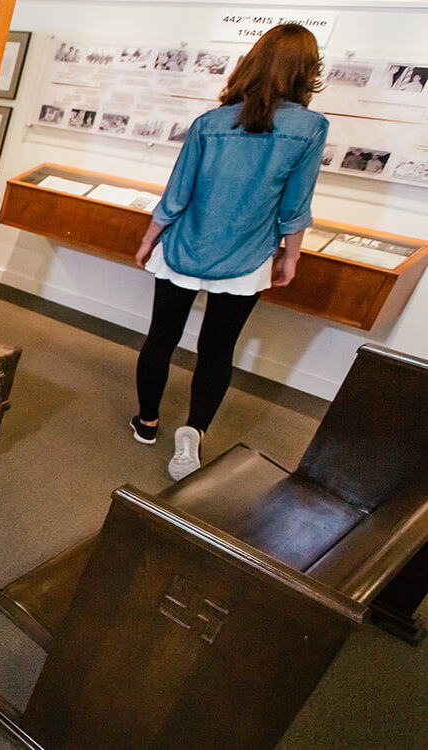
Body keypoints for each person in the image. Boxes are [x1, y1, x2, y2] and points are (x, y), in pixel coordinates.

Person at [131, 24, 327, 480]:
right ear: (306, 72)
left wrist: (148, 239)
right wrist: (291, 255)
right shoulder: (310, 128)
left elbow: (176, 195)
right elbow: (295, 204)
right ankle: (194, 431)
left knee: (161, 336)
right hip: (248, 255)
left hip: (184, 245)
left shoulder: (210, 123)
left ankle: (146, 422)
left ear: (252, 62)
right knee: (218, 348)